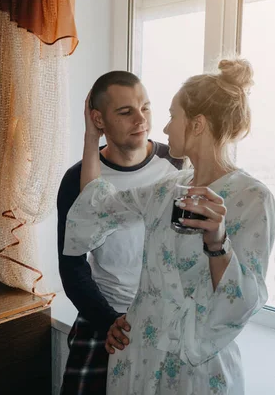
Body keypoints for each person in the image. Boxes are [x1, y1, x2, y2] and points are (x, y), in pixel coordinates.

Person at [63, 57, 275, 394]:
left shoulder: (253, 200)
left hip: (197, 369)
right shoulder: (168, 190)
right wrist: (92, 137)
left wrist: (217, 241)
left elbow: (242, 302)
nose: (162, 128)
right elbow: (95, 205)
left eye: (171, 116)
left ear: (197, 124)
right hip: (140, 359)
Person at [58, 71, 182, 395]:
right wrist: (107, 320)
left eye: (146, 108)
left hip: (165, 317)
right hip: (105, 316)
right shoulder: (77, 179)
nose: (141, 120)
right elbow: (72, 267)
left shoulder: (178, 166)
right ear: (98, 119)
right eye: (126, 112)